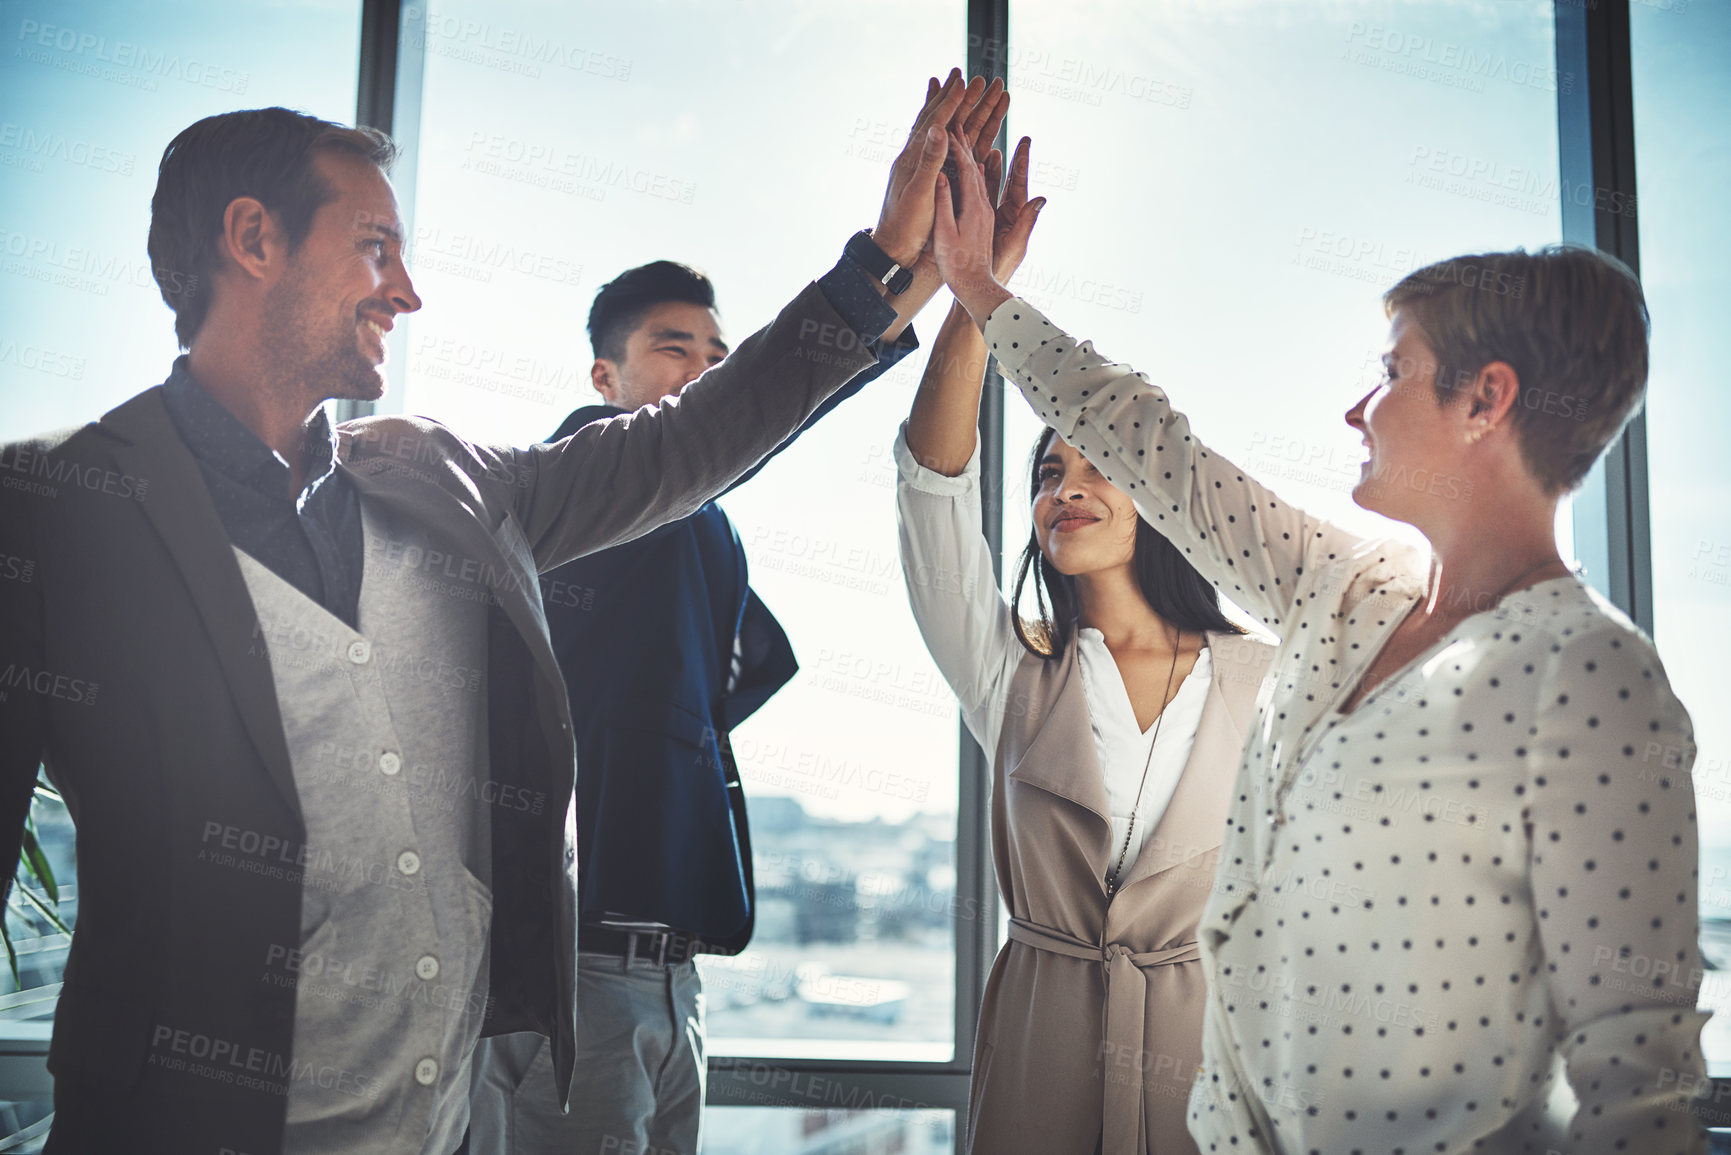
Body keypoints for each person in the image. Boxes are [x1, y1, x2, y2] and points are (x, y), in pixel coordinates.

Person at [0, 73, 970, 1155]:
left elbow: (686, 442)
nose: (405, 290)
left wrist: (883, 268)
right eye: (376, 245)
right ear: (252, 238)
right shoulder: (50, 509)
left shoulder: (452, 481)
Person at [930, 131, 1710, 1153]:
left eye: (1393, 370)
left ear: (1487, 399)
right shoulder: (1346, 592)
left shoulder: (1594, 678)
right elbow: (1151, 445)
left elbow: (1638, 1077)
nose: (1357, 406)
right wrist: (982, 293)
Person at [463, 77, 1009, 1155]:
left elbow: (736, 662)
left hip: (674, 979)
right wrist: (898, 270)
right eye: (676, 351)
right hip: (577, 976)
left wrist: (947, 278)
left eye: (717, 359)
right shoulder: (575, 487)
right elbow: (758, 407)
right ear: (601, 373)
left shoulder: (699, 529)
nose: (705, 378)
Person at [896, 132, 1276, 1155]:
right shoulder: (1013, 672)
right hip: (1040, 1050)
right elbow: (932, 489)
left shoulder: (1268, 677)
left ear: (1161, 493)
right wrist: (978, 299)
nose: (1065, 487)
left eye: (1099, 463)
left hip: (1213, 1065)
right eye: (1045, 471)